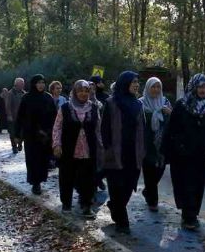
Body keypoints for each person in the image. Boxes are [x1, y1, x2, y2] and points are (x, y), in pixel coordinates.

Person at [163, 74, 205, 230]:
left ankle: (191, 215)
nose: (203, 90)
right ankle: (187, 215)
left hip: (200, 155)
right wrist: (166, 152)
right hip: (182, 155)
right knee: (184, 185)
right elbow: (170, 129)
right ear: (194, 87)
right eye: (200, 87)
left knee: (197, 185)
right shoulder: (181, 106)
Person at [100, 71, 146, 234]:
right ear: (124, 83)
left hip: (133, 153)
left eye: (137, 83)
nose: (136, 85)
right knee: (116, 186)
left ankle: (115, 206)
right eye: (133, 82)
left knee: (128, 187)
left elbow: (142, 128)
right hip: (116, 153)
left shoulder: (138, 104)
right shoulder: (111, 103)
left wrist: (143, 149)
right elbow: (104, 129)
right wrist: (108, 149)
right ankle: (122, 221)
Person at [53, 80, 100, 216]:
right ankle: (66, 203)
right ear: (74, 92)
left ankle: (86, 205)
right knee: (67, 177)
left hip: (88, 150)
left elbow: (98, 129)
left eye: (86, 91)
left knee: (88, 179)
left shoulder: (94, 108)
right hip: (69, 149)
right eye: (80, 91)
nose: (84, 93)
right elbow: (57, 127)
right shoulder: (66, 108)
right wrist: (57, 144)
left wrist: (102, 147)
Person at [15, 74, 57, 195]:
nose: (41, 85)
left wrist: (53, 133)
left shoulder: (48, 98)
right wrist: (17, 135)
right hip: (31, 135)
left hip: (45, 135)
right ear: (34, 84)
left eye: (43, 83)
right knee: (33, 159)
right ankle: (35, 183)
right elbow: (20, 117)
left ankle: (41, 179)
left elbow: (54, 117)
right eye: (38, 83)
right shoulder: (26, 98)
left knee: (43, 160)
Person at [140, 77, 172, 211]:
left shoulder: (165, 102)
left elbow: (174, 122)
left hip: (161, 145)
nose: (156, 89)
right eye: (153, 87)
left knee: (159, 170)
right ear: (148, 88)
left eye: (158, 87)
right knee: (149, 173)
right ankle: (153, 202)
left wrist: (170, 113)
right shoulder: (140, 104)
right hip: (146, 144)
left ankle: (148, 191)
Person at [7, 78, 26, 153]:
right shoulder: (10, 93)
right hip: (13, 117)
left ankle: (20, 143)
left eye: (23, 84)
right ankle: (14, 146)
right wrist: (9, 115)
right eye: (21, 84)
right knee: (13, 133)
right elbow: (8, 105)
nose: (22, 85)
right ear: (16, 84)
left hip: (22, 117)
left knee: (22, 132)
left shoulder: (24, 93)